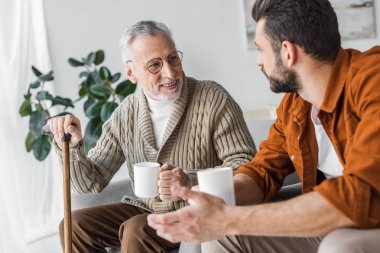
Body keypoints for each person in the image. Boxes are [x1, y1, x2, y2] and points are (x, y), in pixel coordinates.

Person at [147, 1, 380, 252]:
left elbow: (362, 194)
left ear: (288, 52)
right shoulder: (294, 106)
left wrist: (229, 218)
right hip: (333, 220)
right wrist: (213, 198)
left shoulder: (372, 80)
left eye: (261, 49)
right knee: (220, 236)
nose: (259, 61)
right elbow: (263, 172)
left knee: (339, 246)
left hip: (368, 218)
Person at [49, 20, 255, 253]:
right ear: (131, 72)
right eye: (155, 65)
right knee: (74, 225)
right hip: (146, 208)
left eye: (172, 59)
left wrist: (188, 181)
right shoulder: (125, 113)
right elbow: (90, 183)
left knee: (137, 228)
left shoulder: (212, 98)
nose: (169, 72)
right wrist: (74, 147)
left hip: (197, 208)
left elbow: (246, 166)